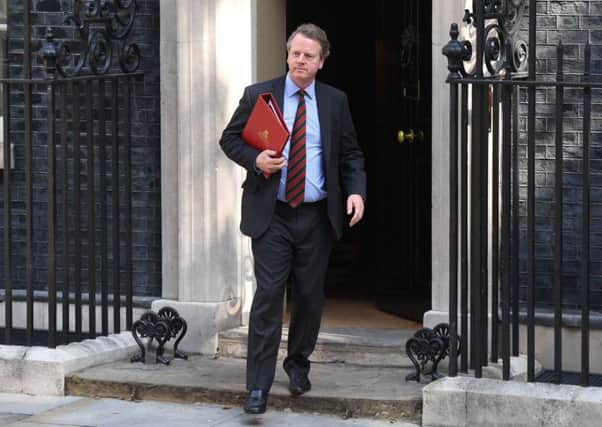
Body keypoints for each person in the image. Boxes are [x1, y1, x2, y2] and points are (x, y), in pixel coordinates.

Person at [219, 23, 367, 415]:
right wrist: (256, 159)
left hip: (317, 216)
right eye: (295, 54)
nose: (300, 61)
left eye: (309, 56)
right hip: (273, 214)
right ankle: (257, 387)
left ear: (321, 63)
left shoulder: (335, 102)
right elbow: (229, 139)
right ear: (288, 55)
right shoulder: (260, 95)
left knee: (308, 297)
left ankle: (298, 364)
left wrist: (355, 191)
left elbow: (351, 155)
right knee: (268, 297)